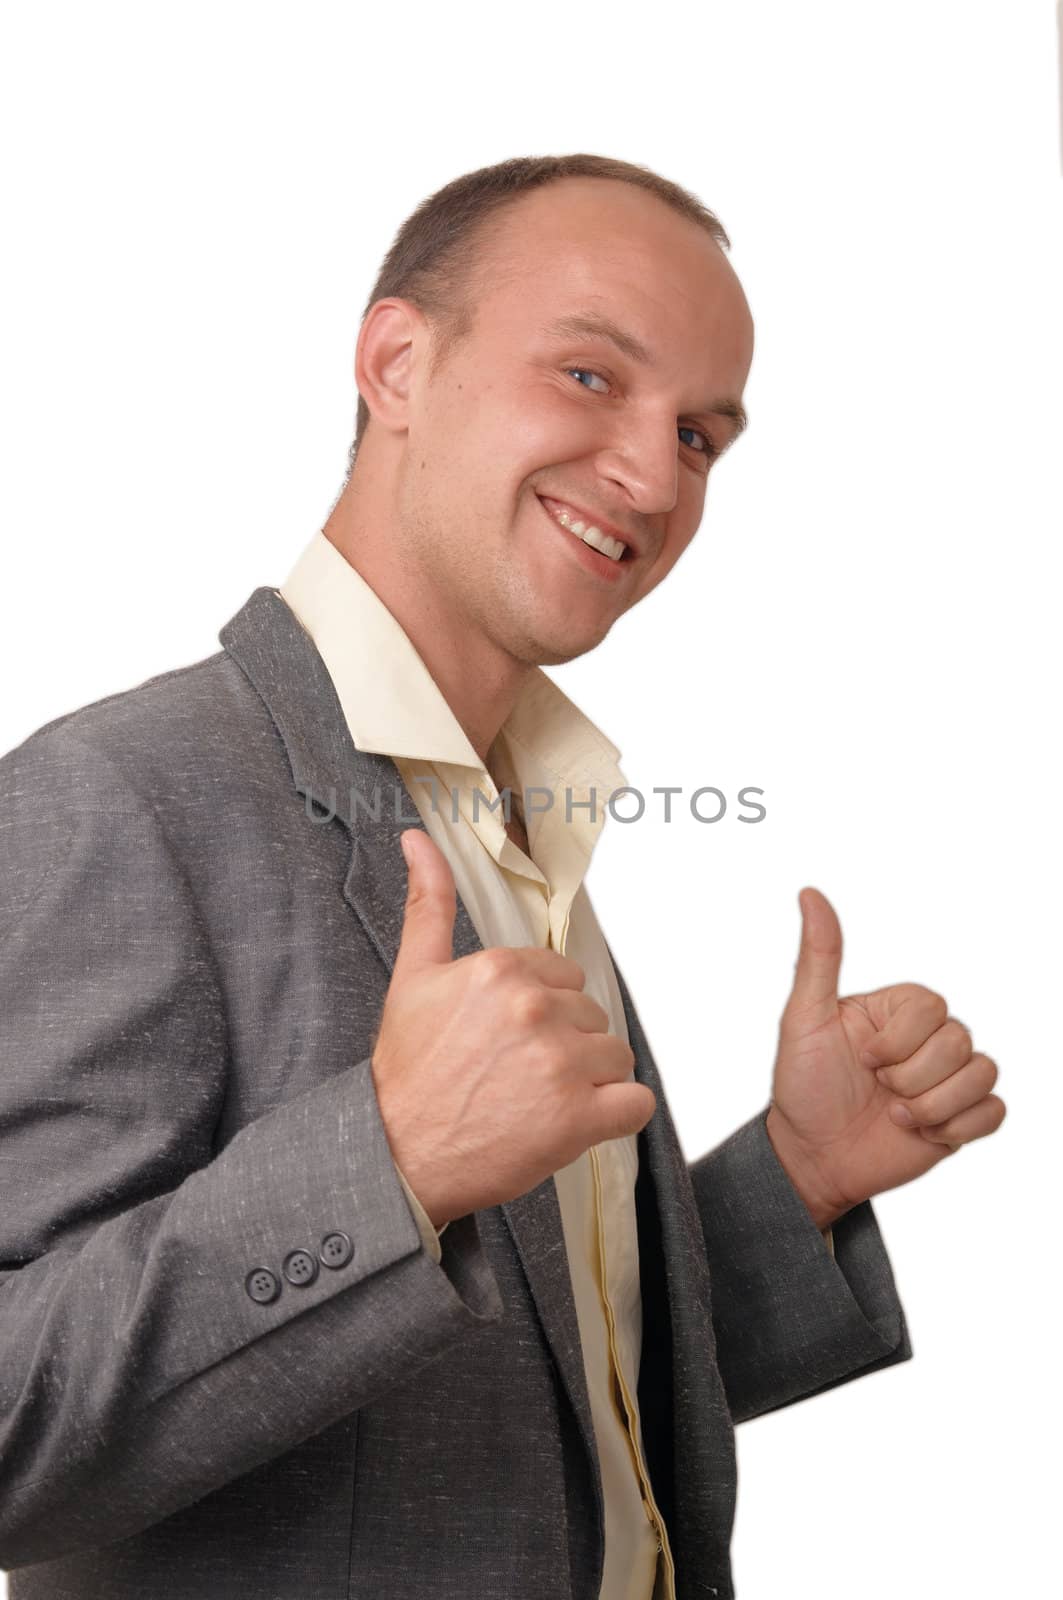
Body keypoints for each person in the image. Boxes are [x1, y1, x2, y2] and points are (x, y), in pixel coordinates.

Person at [0, 153, 1005, 1600]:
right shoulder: (122, 793)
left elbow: (536, 1407)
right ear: (398, 363)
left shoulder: (519, 814)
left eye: (703, 435)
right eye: (592, 377)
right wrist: (392, 1160)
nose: (656, 477)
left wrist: (796, 1179)